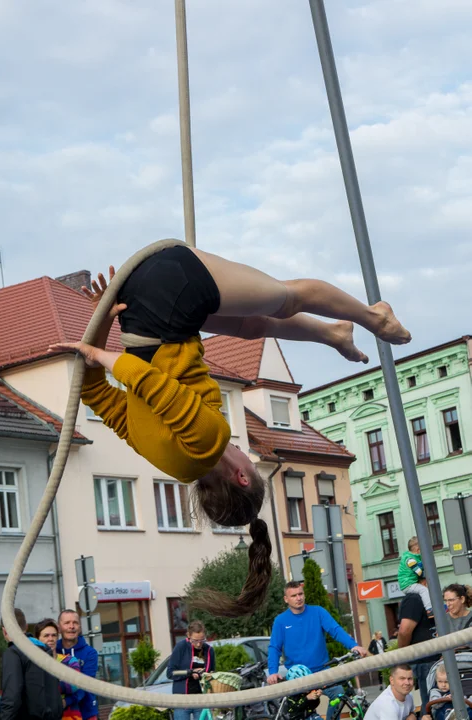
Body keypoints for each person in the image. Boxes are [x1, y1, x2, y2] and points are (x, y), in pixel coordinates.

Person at [49, 245, 411, 617]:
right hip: (147, 309)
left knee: (288, 298)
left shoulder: (208, 444)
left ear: (240, 476)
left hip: (168, 293)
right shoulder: (170, 463)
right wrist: (103, 320)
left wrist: (100, 355)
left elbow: (151, 383)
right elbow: (96, 393)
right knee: (255, 325)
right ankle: (334, 333)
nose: (247, 454)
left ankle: (373, 318)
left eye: (251, 464)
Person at [267, 581, 367, 720]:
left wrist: (353, 646)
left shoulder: (318, 612)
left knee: (338, 693)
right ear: (286, 599)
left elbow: (335, 630)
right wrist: (273, 672)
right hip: (298, 677)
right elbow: (274, 647)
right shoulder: (281, 621)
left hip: (321, 671)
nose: (298, 598)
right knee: (300, 711)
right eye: (294, 595)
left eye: (300, 594)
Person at [0, 608, 63, 720]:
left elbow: (12, 696)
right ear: (26, 627)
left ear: (5, 631)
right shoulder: (46, 650)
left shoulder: (14, 652)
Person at [397, 583, 439, 713]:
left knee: (431, 704)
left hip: (429, 658)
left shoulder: (421, 597)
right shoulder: (415, 598)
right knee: (430, 704)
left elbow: (404, 631)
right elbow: (405, 630)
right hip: (425, 659)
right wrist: (403, 654)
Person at [34, 619, 82, 720]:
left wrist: (45, 685)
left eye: (54, 635)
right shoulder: (33, 664)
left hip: (70, 716)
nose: (51, 639)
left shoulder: (70, 661)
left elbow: (75, 685)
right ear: (38, 639)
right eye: (46, 636)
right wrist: (61, 681)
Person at [167, 620, 215, 720]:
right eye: (195, 641)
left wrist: (203, 674)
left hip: (201, 699)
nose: (198, 644)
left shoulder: (209, 650)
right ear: (188, 636)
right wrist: (190, 672)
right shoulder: (181, 647)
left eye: (202, 640)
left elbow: (212, 674)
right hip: (182, 700)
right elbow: (170, 673)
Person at [56, 610, 98, 720]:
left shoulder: (90, 653)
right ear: (59, 627)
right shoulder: (53, 651)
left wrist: (66, 701)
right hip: (60, 714)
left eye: (75, 623)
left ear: (79, 627)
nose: (71, 626)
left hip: (86, 713)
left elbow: (86, 684)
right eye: (67, 623)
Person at [398, 537, 432, 615]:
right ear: (418, 549)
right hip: (408, 584)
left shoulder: (413, 558)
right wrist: (428, 575)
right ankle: (429, 609)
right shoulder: (410, 560)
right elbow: (419, 572)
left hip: (409, 583)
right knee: (424, 590)